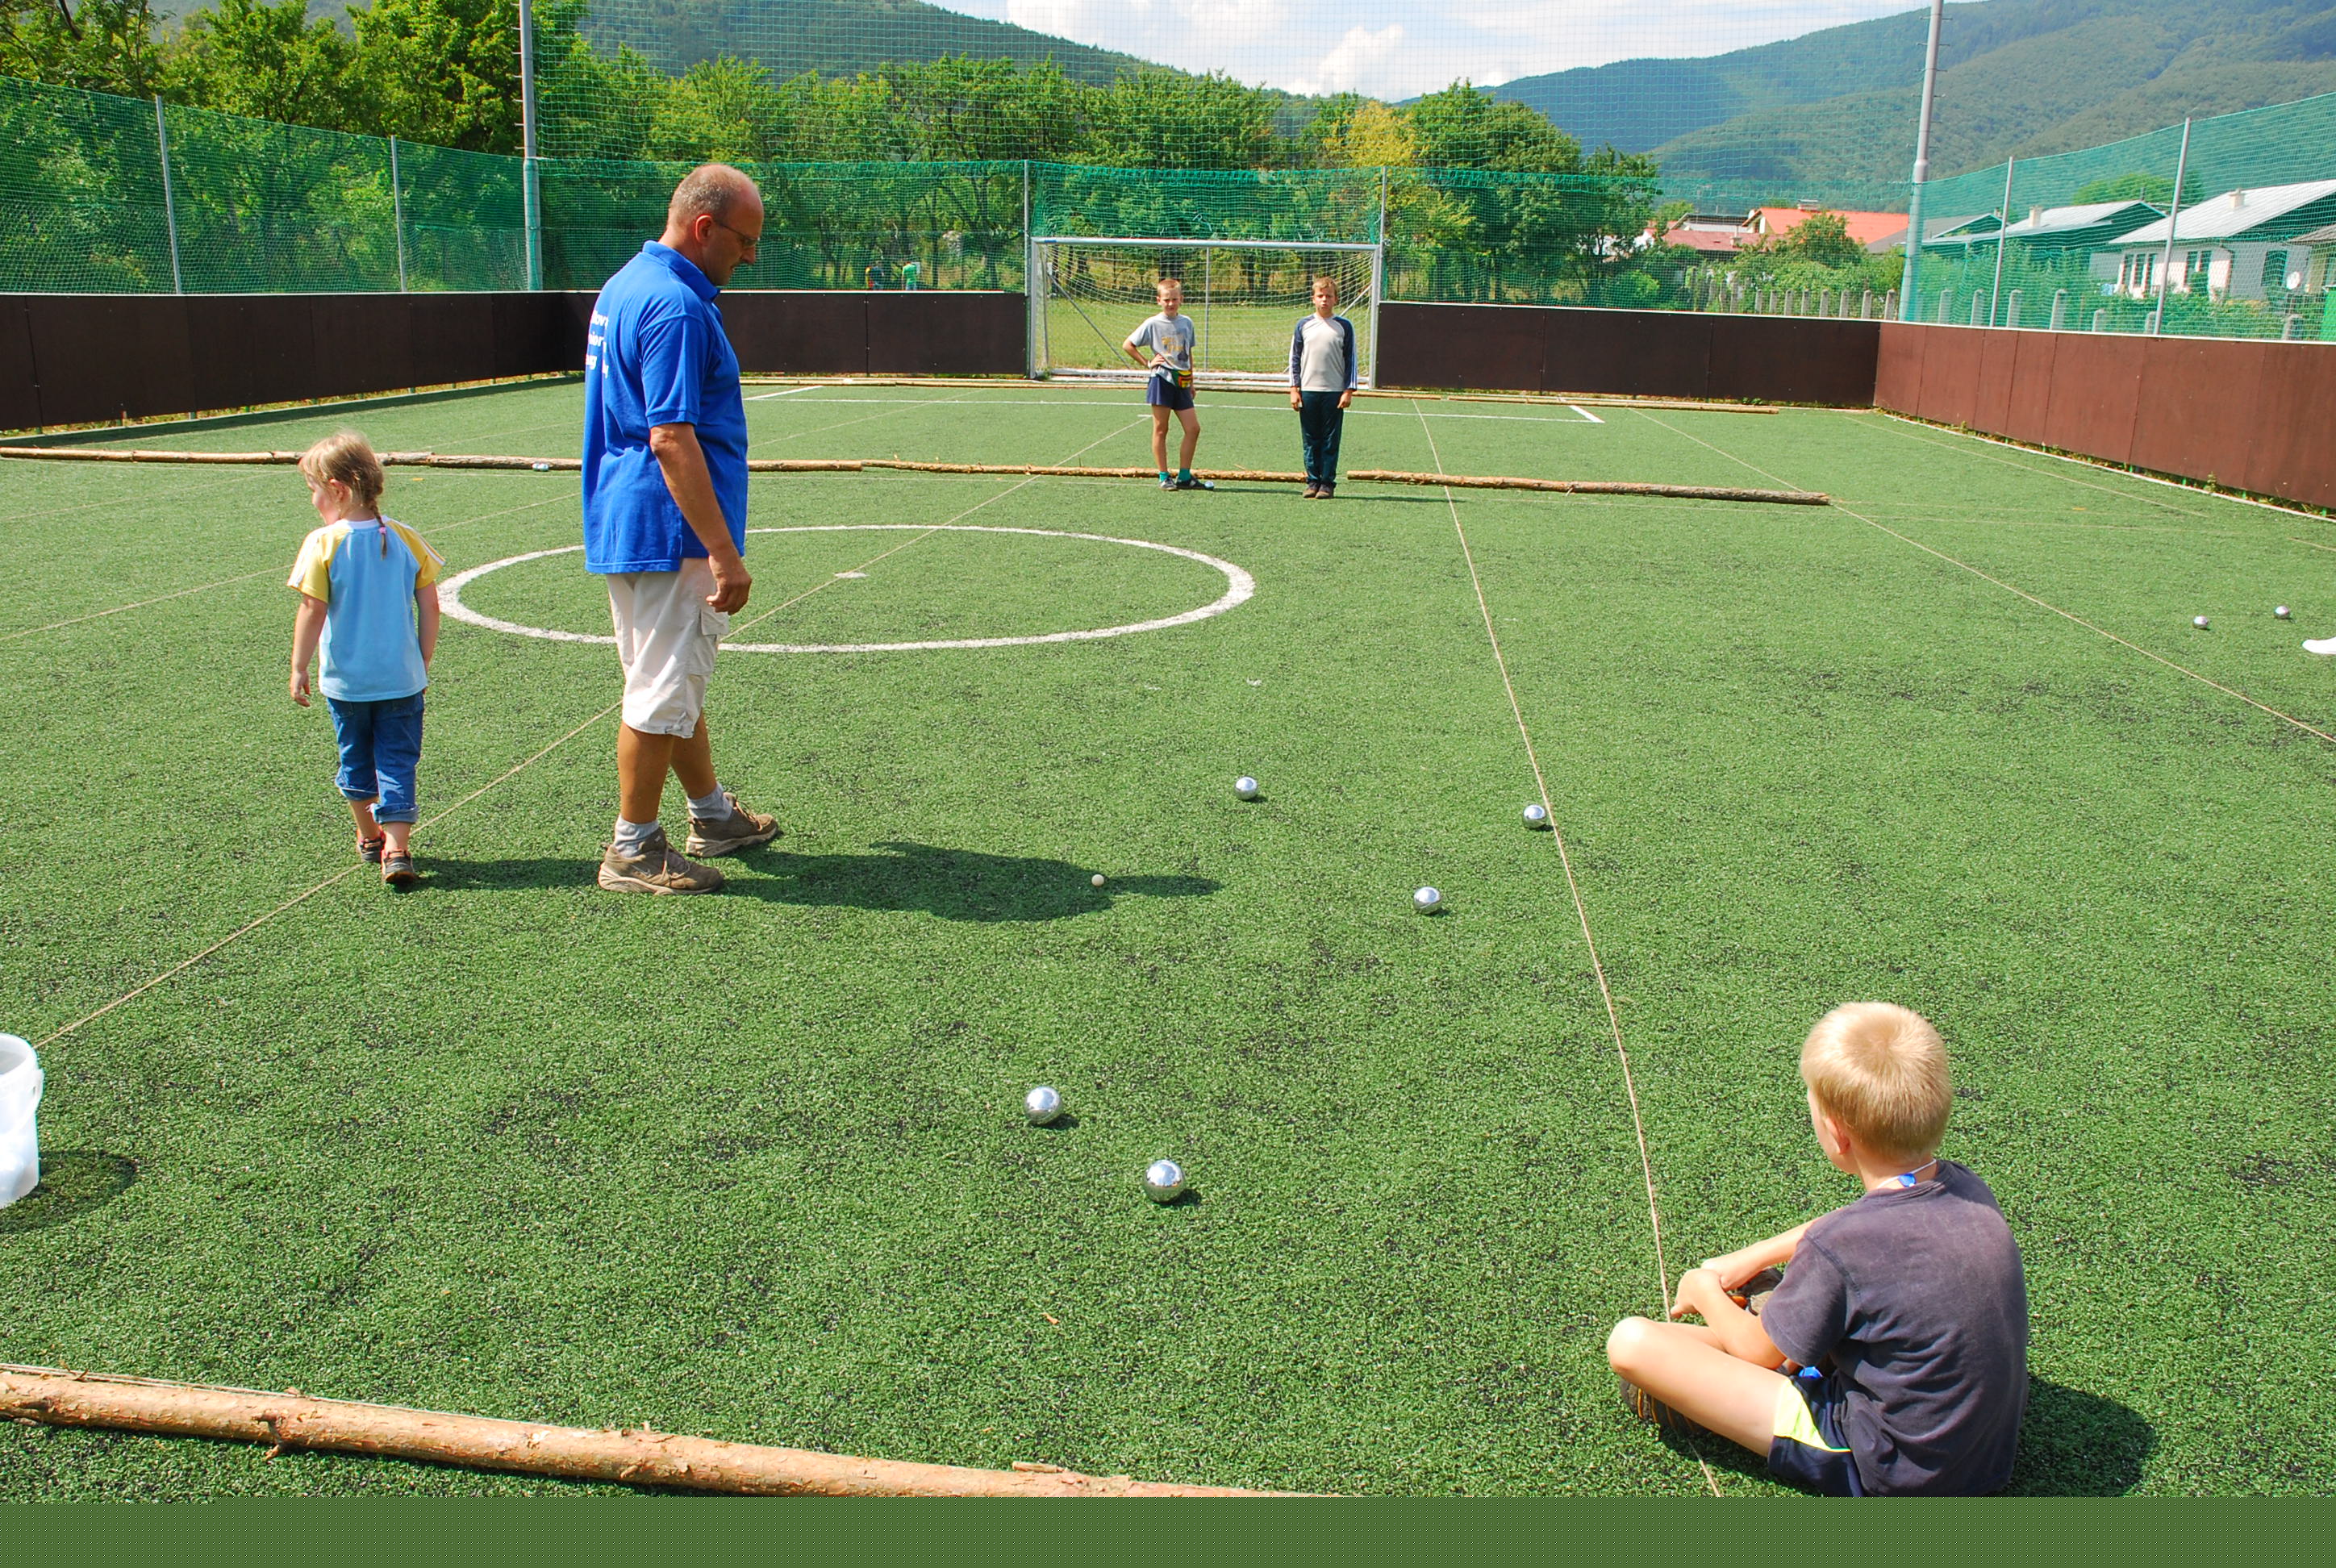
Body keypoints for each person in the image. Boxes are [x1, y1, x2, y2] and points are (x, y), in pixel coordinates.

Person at [1607, 1003, 2028, 1495]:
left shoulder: (1842, 1247)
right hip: (1985, 1451)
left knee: (1634, 1344)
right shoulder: (1967, 1187)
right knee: (1797, 1307)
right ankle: (1793, 1337)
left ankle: (1734, 1379)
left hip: (1893, 1465)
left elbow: (1758, 1352)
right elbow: (1841, 1228)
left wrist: (1702, 1288)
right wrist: (1756, 1255)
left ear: (1836, 1133)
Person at [582, 162, 782, 896]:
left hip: (629, 521)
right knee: (662, 694)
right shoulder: (676, 305)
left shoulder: (626, 284)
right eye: (744, 241)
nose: (750, 257)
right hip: (674, 530)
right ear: (705, 228)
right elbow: (671, 436)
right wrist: (723, 552)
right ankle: (633, 849)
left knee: (665, 687)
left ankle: (712, 815)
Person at [287, 431, 443, 889]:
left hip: (346, 682)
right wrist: (422, 660)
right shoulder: (405, 537)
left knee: (355, 757)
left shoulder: (322, 543)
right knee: (397, 760)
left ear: (336, 490)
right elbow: (430, 605)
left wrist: (298, 667)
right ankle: (397, 847)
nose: (313, 500)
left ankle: (368, 834)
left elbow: (312, 610)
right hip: (402, 679)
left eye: (313, 490)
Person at [1123, 277, 1210, 491]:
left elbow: (1188, 352)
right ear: (1158, 300)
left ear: (1181, 299)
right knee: (1161, 428)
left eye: (1174, 299)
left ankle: (1184, 475)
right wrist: (1148, 363)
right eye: (1166, 300)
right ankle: (1163, 476)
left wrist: (1191, 380)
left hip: (1182, 381)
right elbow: (1128, 344)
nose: (1171, 304)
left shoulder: (1187, 323)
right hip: (1161, 380)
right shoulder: (1153, 323)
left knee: (1193, 428)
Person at [1287, 275, 1358, 499]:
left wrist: (1348, 390)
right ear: (1313, 299)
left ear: (1336, 299)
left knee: (1329, 439)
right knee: (1310, 438)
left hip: (1334, 392)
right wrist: (1294, 388)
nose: (1324, 300)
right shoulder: (1304, 325)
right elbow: (1295, 357)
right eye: (1320, 296)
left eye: (1328, 296)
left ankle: (1327, 483)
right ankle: (1312, 481)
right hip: (1308, 390)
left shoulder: (1344, 326)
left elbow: (1351, 359)